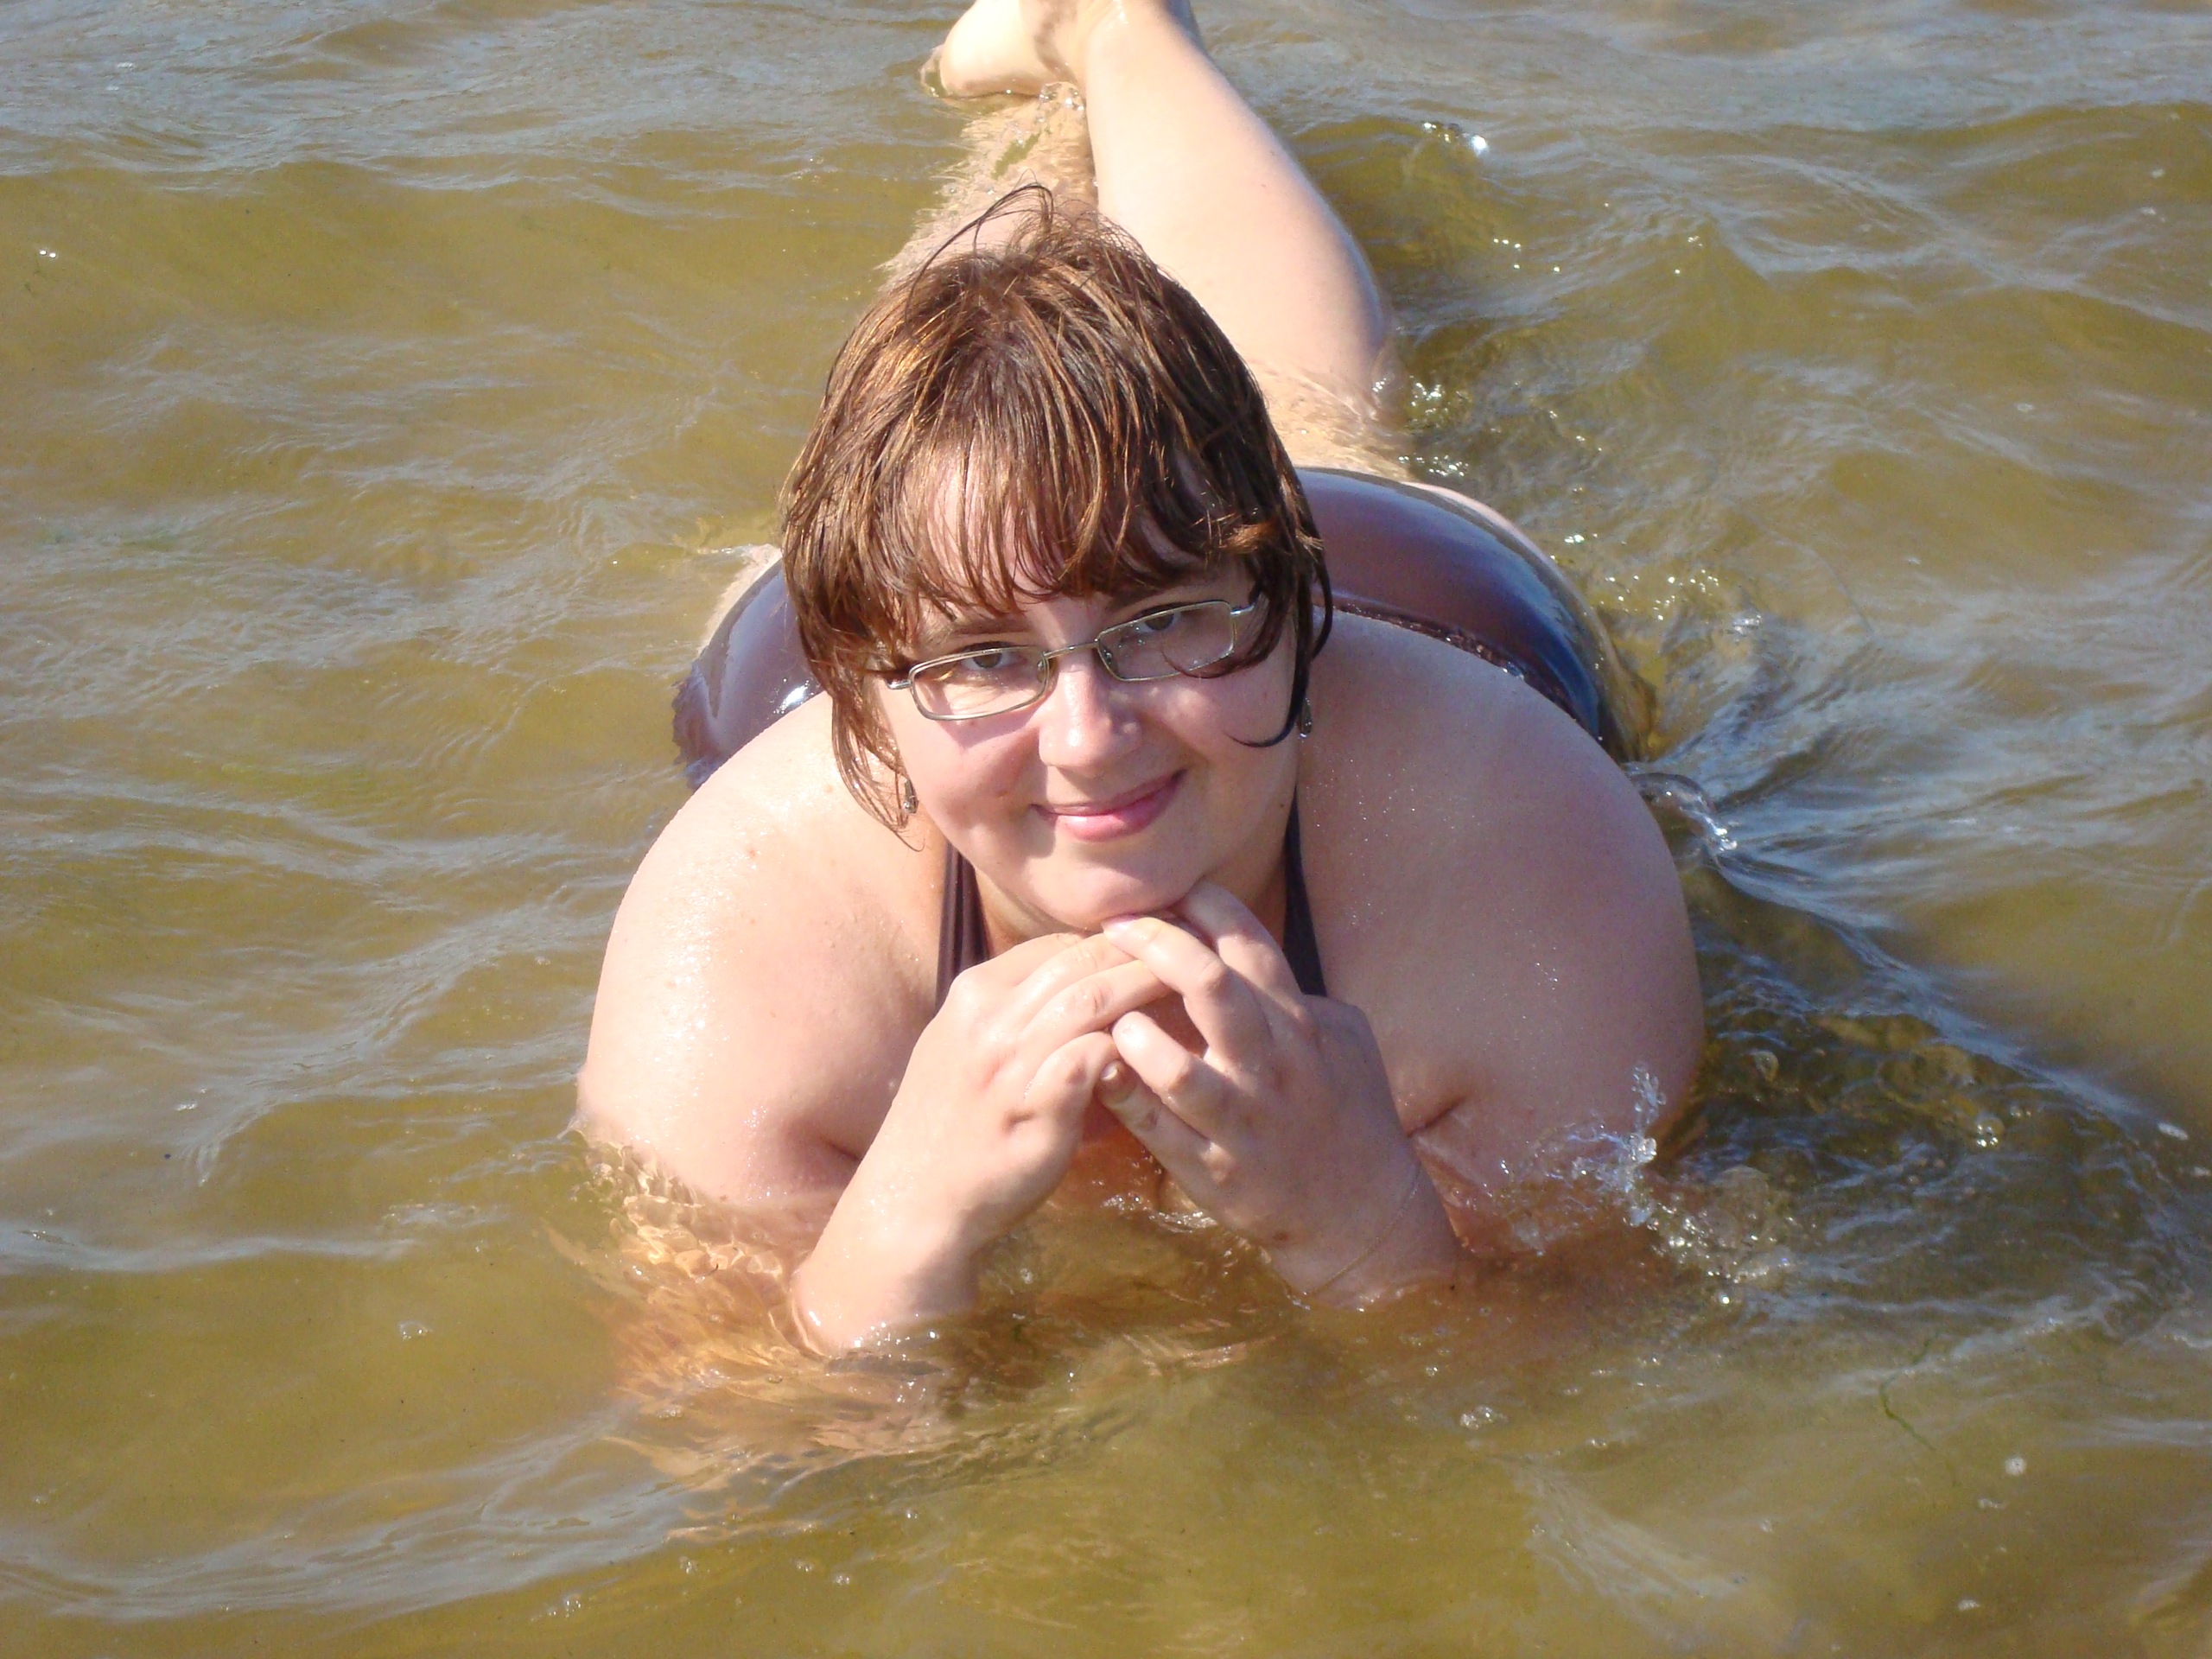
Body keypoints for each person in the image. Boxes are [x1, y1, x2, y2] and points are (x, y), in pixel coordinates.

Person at [578, 0, 1703, 1352]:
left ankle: (1115, 27)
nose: (1089, 738)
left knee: (1308, 414)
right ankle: (1059, 85)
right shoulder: (750, 928)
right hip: (820, 646)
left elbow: (1605, 1373)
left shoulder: (1520, 842)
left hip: (1424, 584)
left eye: (1161, 627)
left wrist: (1368, 1231)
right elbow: (718, 1420)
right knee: (959, 421)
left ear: (1292, 607)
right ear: (869, 699)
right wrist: (899, 1229)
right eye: (989, 659)